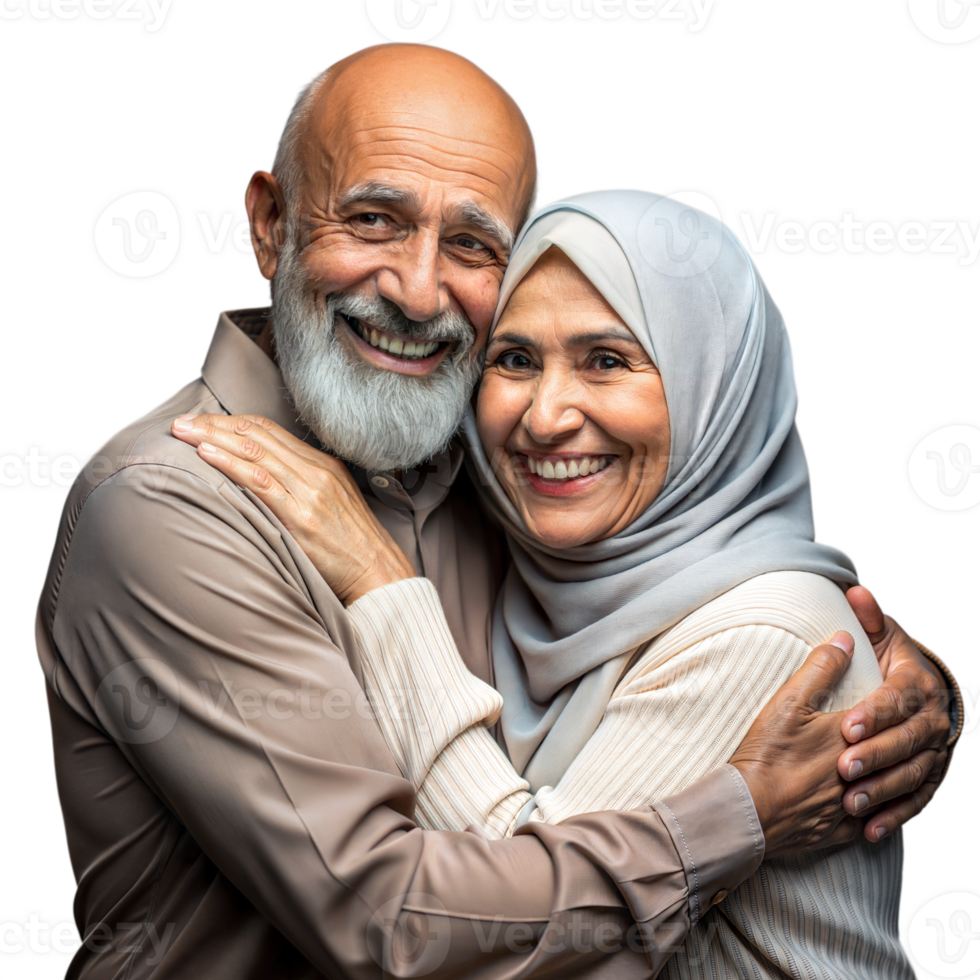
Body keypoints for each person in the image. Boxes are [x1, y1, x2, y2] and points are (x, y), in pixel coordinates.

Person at [36, 45, 958, 979]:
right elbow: (391, 920)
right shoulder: (174, 503)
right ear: (270, 224)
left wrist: (888, 682)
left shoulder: (486, 458)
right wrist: (738, 815)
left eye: (473, 244)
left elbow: (685, 582)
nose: (418, 287)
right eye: (374, 219)